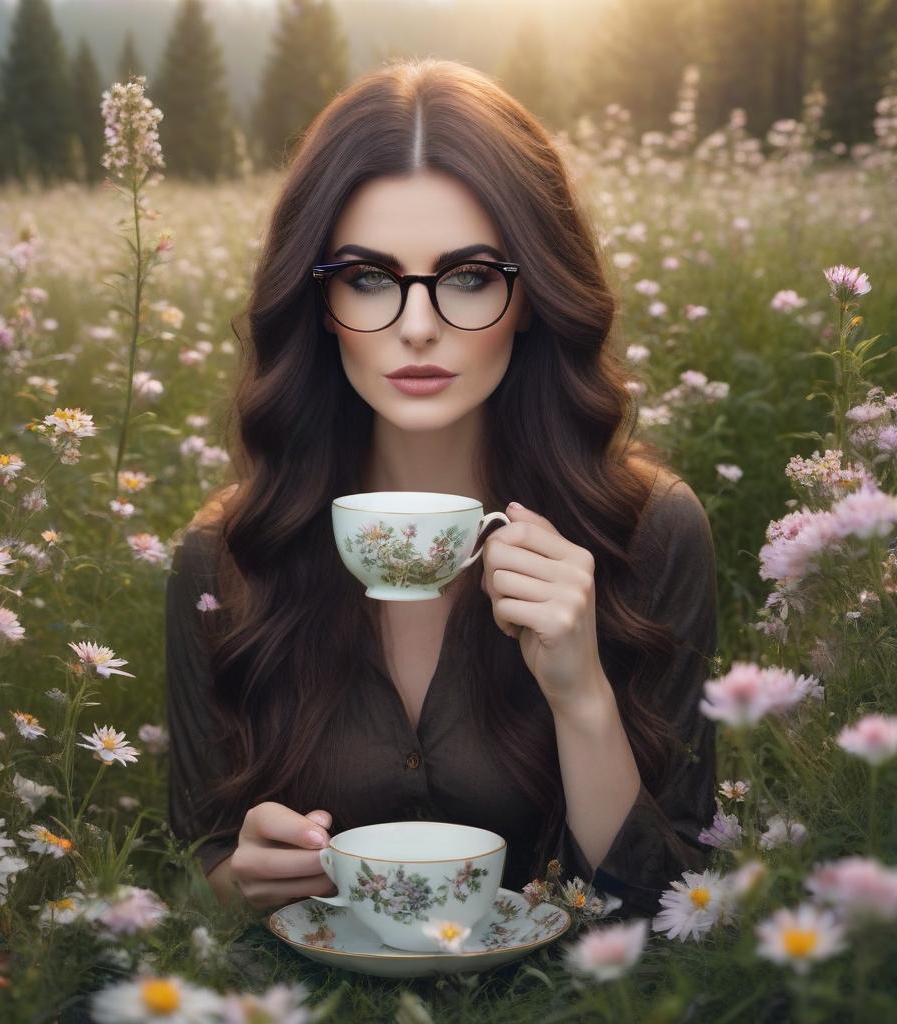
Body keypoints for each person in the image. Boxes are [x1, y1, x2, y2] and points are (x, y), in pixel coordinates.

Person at [165, 57, 719, 920]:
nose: (416, 327)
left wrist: (582, 697)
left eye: (468, 276)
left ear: (531, 295)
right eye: (368, 278)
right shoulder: (228, 554)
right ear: (316, 301)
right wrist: (235, 888)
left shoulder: (648, 531)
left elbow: (678, 905)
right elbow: (190, 867)